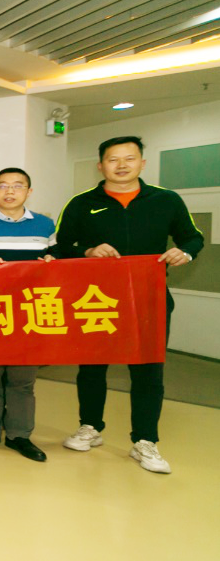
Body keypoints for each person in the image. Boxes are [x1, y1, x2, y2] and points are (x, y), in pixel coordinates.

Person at [54, 137, 203, 474]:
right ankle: (90, 427)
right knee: (92, 366)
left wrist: (186, 252)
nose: (121, 165)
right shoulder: (81, 203)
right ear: (100, 166)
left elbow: (193, 237)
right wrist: (88, 251)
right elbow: (61, 246)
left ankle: (145, 440)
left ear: (142, 163)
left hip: (148, 298)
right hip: (96, 300)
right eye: (113, 159)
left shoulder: (166, 200)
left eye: (129, 158)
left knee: (148, 370)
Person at [0, 168, 57, 462]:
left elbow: (60, 264)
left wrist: (52, 261)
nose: (10, 191)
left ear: (29, 191)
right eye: (3, 186)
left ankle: (20, 435)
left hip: (30, 311)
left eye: (17, 186)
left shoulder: (45, 225)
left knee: (22, 380)